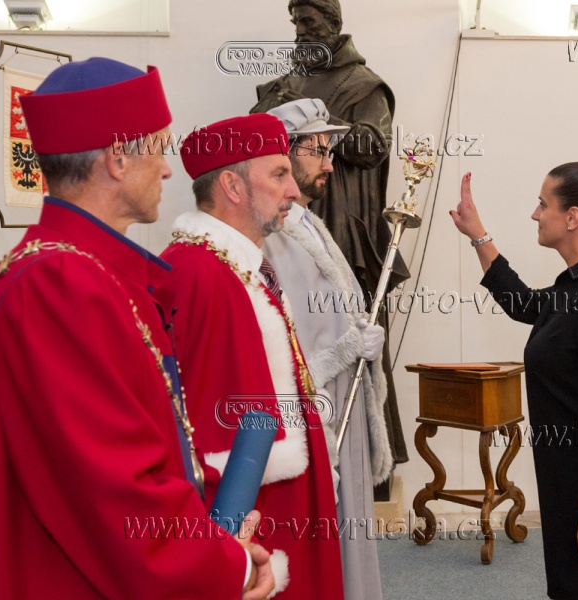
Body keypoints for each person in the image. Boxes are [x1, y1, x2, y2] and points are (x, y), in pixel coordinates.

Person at [0, 58, 273, 599]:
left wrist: (214, 538)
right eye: (159, 149)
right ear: (117, 159)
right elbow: (110, 488)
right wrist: (225, 566)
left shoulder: (76, 272)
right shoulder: (60, 285)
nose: (167, 171)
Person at [155, 113, 344, 599]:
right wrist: (223, 556)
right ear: (232, 186)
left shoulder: (234, 265)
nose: (294, 191)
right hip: (258, 515)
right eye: (278, 175)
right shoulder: (201, 274)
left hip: (281, 500)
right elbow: (201, 434)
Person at [449, 164, 578, 600]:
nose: (535, 214)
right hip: (571, 478)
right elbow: (522, 303)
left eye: (543, 204)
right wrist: (478, 233)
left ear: (573, 217)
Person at [251, 0, 410, 470]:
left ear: (332, 22)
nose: (300, 29)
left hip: (342, 222)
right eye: (295, 21)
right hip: (283, 224)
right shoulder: (288, 82)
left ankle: (366, 451)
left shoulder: (364, 84)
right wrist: (280, 104)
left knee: (354, 331)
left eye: (308, 20)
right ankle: (301, 450)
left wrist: (321, 128)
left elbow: (373, 146)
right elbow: (255, 135)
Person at [262, 98, 391, 600]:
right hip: (314, 408)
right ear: (284, 154)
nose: (329, 164)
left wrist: (363, 338)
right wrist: (343, 349)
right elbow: (281, 344)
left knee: (352, 525)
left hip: (343, 402)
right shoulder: (271, 235)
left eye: (329, 151)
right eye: (317, 150)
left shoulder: (308, 224)